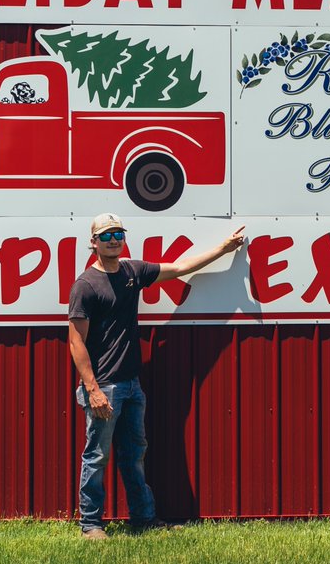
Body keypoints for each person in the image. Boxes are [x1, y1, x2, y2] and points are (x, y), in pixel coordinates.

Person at [68, 212, 245, 540]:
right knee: (97, 456)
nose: (114, 240)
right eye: (106, 236)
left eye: (118, 233)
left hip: (132, 384)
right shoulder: (85, 286)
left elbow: (179, 269)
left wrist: (223, 249)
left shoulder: (132, 271)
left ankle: (143, 519)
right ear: (93, 243)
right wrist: (92, 389)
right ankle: (90, 525)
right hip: (103, 386)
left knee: (135, 454)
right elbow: (76, 340)